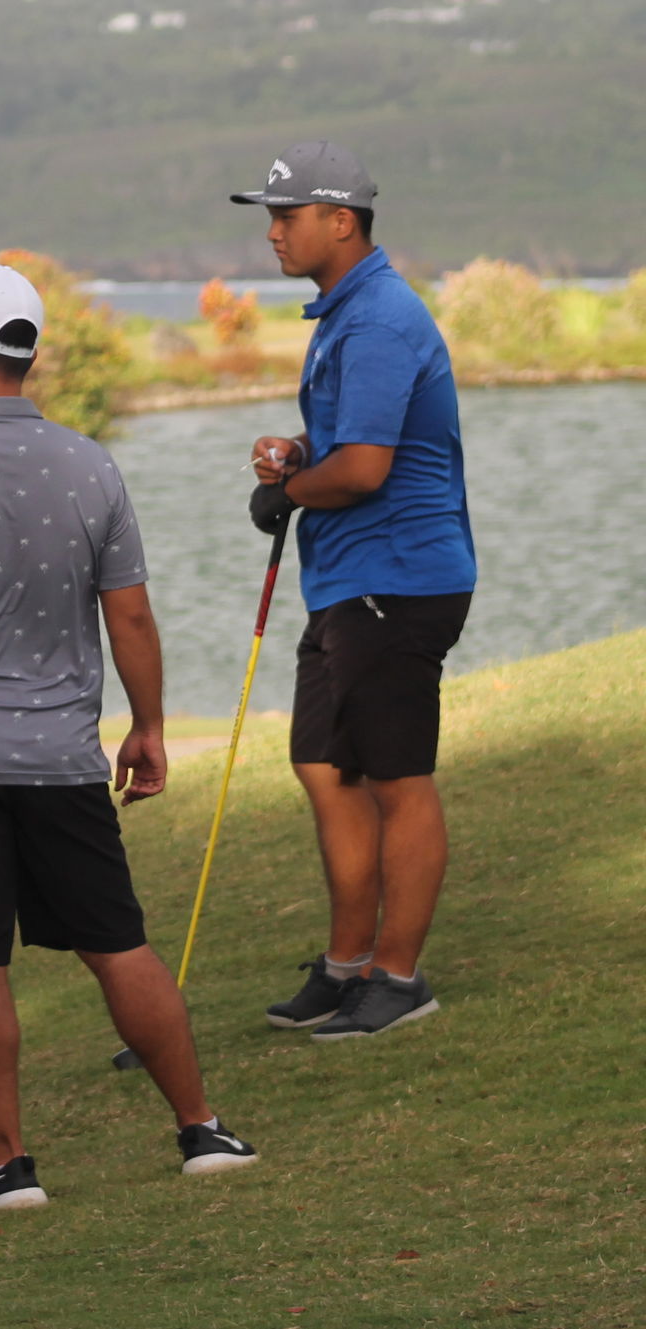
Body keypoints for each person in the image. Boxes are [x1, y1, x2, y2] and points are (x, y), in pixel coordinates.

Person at [0, 259, 259, 1213]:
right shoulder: (91, 464)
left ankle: (7, 1164)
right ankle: (201, 1128)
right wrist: (148, 726)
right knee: (118, 942)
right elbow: (133, 619)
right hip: (62, 756)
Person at [230, 140, 476, 1039]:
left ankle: (399, 977)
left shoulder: (374, 320)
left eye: (286, 217)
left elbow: (368, 469)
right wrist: (299, 453)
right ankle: (346, 966)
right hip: (351, 580)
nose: (273, 233)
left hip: (397, 580)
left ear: (342, 221)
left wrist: (285, 491)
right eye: (270, 217)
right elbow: (349, 442)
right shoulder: (344, 315)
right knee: (327, 768)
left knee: (398, 780)